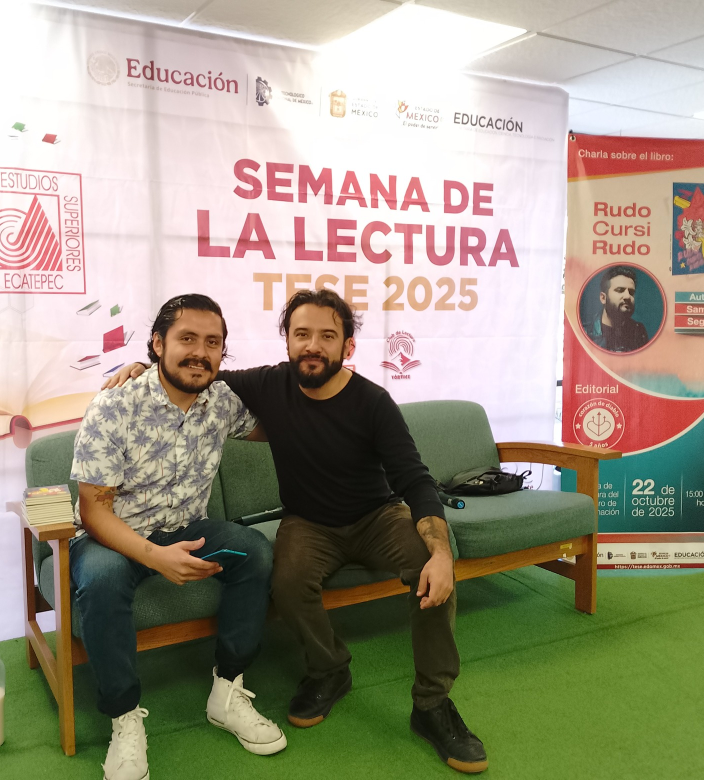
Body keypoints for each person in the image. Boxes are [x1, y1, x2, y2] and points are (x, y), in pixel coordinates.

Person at [107, 289, 488, 774]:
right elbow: (194, 370)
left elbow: (414, 478)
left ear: (348, 346)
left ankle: (432, 704)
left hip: (378, 516)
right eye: (301, 333)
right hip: (308, 522)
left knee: (430, 572)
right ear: (286, 341)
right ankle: (329, 670)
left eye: (327, 336)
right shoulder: (268, 384)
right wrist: (142, 369)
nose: (313, 345)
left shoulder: (373, 402)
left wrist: (440, 552)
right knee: (285, 580)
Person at [71, 294, 287, 780]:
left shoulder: (222, 403)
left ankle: (227, 692)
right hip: (113, 537)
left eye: (212, 343)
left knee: (253, 552)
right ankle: (124, 718)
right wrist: (155, 556)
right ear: (157, 343)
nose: (200, 353)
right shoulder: (115, 405)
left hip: (188, 528)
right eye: (187, 338)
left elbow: (280, 424)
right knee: (101, 580)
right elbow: (93, 511)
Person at [588, 265, 650, 352]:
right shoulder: (586, 333)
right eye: (620, 290)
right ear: (603, 298)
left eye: (631, 292)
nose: (627, 296)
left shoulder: (638, 332)